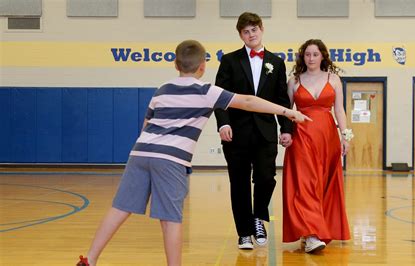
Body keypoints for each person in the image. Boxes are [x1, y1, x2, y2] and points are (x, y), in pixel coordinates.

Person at [76, 40, 310, 266]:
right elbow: (248, 101)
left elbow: (146, 125)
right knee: (171, 219)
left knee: (120, 208)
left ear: (176, 65)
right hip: (171, 160)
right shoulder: (206, 91)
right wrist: (288, 112)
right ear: (202, 66)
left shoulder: (162, 90)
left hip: (140, 154)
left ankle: (90, 259)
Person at [214, 12, 294, 250]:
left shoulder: (277, 63)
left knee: (265, 178)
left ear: (261, 29)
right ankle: (244, 232)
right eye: (246, 32)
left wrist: (286, 128)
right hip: (236, 132)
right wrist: (223, 123)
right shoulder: (229, 60)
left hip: (265, 132)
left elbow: (282, 100)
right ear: (241, 35)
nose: (251, 35)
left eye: (254, 30)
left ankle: (258, 217)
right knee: (238, 182)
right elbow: (220, 97)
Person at [282, 39, 352, 253]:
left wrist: (345, 135)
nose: (311, 58)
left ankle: (312, 230)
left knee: (323, 185)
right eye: (307, 55)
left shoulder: (334, 79)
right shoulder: (294, 81)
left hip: (327, 138)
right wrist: (284, 132)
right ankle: (312, 234)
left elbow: (339, 110)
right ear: (303, 58)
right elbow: (286, 110)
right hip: (301, 137)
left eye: (315, 54)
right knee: (305, 185)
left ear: (323, 56)